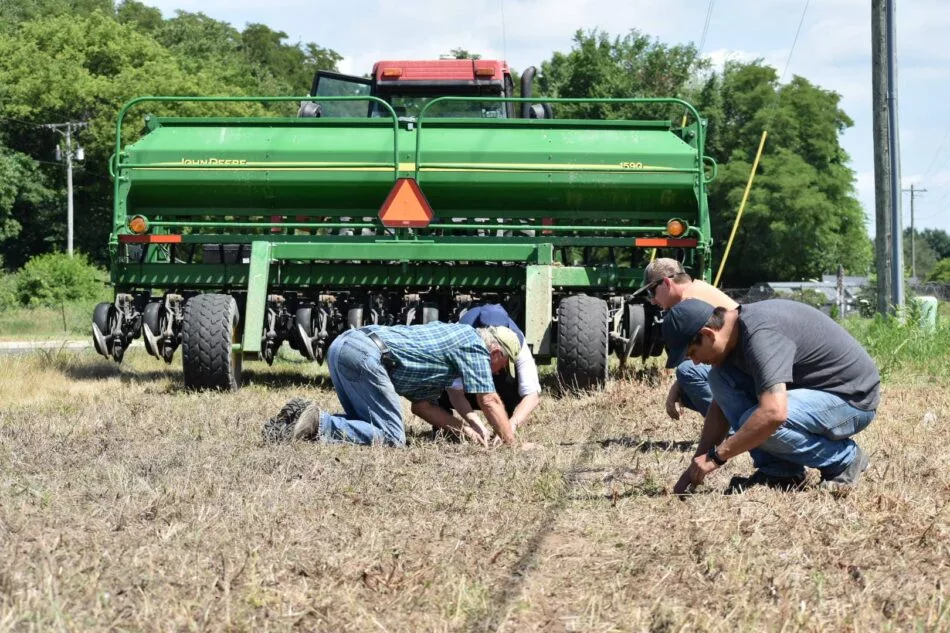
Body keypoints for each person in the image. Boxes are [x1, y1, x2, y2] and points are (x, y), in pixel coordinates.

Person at [663, 298, 880, 494]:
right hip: (814, 393)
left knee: (759, 421)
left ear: (708, 334)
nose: (696, 362)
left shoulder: (760, 336)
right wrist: (696, 463)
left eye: (692, 353)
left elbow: (773, 414)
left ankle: (844, 460)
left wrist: (717, 457)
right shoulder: (734, 335)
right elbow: (721, 407)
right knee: (720, 378)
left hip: (851, 399)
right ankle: (780, 471)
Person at [261, 322, 526, 448]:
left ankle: (294, 421)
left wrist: (465, 430)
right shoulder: (475, 345)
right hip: (367, 354)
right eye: (501, 367)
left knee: (364, 424)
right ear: (496, 354)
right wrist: (511, 443)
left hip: (343, 345)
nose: (498, 372)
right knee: (391, 437)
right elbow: (488, 399)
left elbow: (422, 408)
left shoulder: (447, 354)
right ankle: (320, 424)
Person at [637, 258, 738, 420]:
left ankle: (735, 431)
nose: (653, 300)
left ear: (666, 283)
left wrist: (677, 385)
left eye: (651, 291)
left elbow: (711, 355)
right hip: (739, 364)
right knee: (687, 391)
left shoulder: (690, 303)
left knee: (688, 371)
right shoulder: (697, 290)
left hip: (741, 367)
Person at [437, 304, 542, 433]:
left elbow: (532, 395)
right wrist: (475, 426)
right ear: (495, 352)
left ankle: (503, 421)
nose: (499, 371)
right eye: (503, 363)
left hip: (495, 389)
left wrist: (510, 427)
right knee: (438, 384)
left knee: (513, 381)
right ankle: (444, 427)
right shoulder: (460, 341)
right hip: (462, 382)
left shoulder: (516, 341)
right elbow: (454, 392)